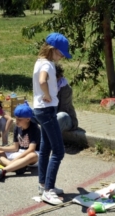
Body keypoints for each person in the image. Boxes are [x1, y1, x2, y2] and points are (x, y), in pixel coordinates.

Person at [33, 32, 72, 205]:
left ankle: (43, 185)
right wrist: (47, 94)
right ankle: (48, 191)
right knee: (58, 151)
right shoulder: (48, 65)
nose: (62, 56)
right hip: (47, 110)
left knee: (46, 146)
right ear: (52, 49)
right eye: (61, 52)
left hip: (40, 109)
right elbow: (42, 81)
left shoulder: (39, 62)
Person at [0, 102, 41, 181]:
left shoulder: (34, 128)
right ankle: (17, 167)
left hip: (33, 156)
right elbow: (15, 148)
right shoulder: (17, 127)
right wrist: (0, 148)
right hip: (19, 152)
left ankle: (4, 170)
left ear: (28, 119)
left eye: (19, 119)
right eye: (16, 118)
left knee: (32, 155)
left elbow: (31, 149)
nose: (16, 121)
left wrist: (15, 160)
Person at [55, 63, 78, 132]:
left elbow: (63, 110)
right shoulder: (44, 85)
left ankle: (45, 141)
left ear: (58, 77)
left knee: (61, 117)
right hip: (49, 117)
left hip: (66, 118)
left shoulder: (66, 89)